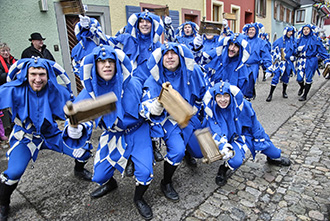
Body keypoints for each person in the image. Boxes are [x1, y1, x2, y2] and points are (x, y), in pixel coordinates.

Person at [65, 45, 156, 220]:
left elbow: (147, 103)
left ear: (116, 64)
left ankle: (138, 198)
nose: (107, 65)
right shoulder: (89, 92)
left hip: (138, 131)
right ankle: (111, 183)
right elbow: (80, 121)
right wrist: (75, 129)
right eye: (101, 62)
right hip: (112, 135)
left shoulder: (133, 83)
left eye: (110, 61)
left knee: (144, 173)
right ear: (95, 65)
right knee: (99, 176)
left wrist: (152, 107)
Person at [0, 57, 92, 221]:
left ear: (48, 75)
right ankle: (3, 204)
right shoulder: (12, 90)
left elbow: (74, 114)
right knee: (13, 173)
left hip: (51, 135)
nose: (37, 79)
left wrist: (77, 126)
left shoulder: (58, 92)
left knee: (83, 150)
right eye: (33, 74)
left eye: (42, 74)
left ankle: (78, 170)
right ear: (26, 74)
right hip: (26, 138)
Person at [189, 81, 291, 187]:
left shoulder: (242, 105)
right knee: (236, 161)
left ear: (231, 95)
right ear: (214, 98)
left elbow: (254, 123)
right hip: (231, 139)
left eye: (226, 96)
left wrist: (259, 138)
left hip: (247, 135)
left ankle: (271, 157)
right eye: (219, 96)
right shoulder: (212, 111)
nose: (222, 100)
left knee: (274, 152)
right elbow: (216, 131)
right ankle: (223, 169)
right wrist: (223, 145)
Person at [140, 42, 206, 201]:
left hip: (191, 116)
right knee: (177, 151)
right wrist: (156, 106)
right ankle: (166, 182)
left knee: (199, 152)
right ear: (161, 58)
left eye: (174, 53)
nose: (169, 57)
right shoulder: (154, 78)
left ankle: (189, 150)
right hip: (169, 121)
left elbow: (205, 92)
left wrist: (200, 108)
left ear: (180, 56)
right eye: (166, 54)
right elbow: (145, 108)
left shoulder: (193, 71)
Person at [296, 24, 330, 101]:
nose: (305, 31)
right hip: (301, 60)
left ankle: (304, 95)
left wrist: (327, 61)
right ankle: (302, 86)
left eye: (307, 29)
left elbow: (322, 51)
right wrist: (297, 50)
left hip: (311, 61)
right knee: (299, 79)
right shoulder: (299, 39)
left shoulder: (316, 39)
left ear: (310, 30)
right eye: (304, 29)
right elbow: (294, 51)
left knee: (308, 78)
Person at [266, 26, 297, 102]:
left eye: (291, 32)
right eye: (289, 31)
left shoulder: (293, 41)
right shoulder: (279, 41)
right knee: (275, 77)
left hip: (288, 63)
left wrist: (294, 57)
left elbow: (295, 52)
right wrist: (278, 57)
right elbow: (273, 52)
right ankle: (270, 94)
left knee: (286, 78)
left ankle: (284, 91)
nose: (290, 33)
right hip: (280, 63)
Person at [243, 23, 272, 100]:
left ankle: (248, 102)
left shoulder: (261, 42)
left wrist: (269, 68)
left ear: (256, 31)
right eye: (249, 30)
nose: (251, 31)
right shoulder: (243, 40)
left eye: (253, 30)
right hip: (242, 66)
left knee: (249, 85)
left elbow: (266, 56)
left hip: (253, 67)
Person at [0, 43, 16, 142]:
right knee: (6, 111)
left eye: (7, 50)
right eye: (3, 51)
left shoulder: (13, 60)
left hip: (13, 88)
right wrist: (11, 73)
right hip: (3, 89)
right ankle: (7, 131)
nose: (6, 53)